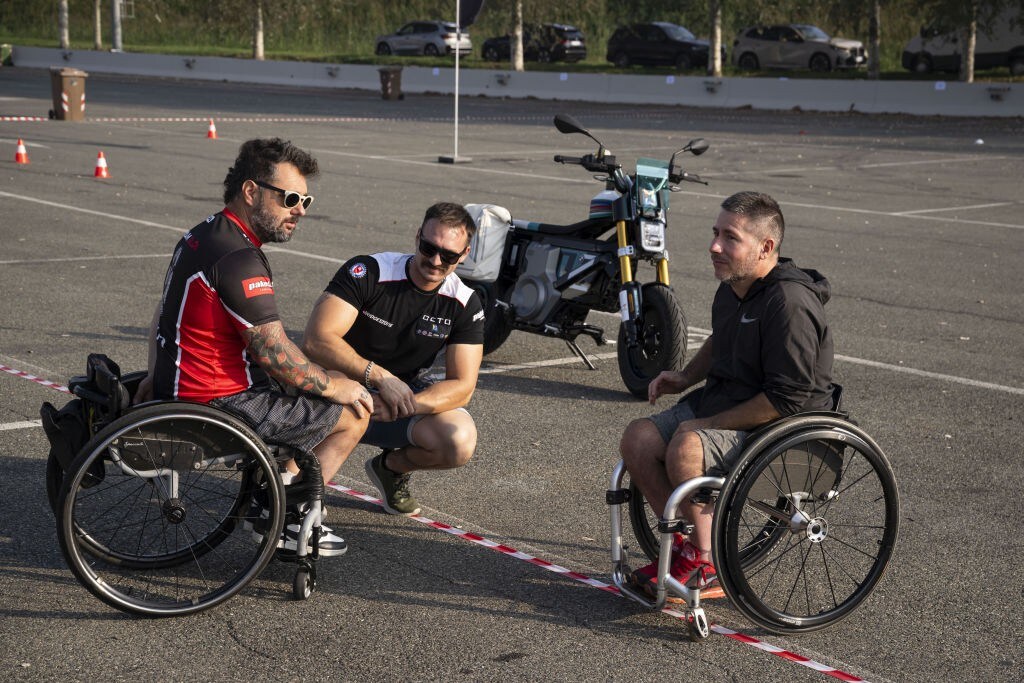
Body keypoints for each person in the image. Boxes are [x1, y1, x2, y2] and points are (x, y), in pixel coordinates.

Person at [137, 138, 372, 556]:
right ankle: (281, 520)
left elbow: (163, 313)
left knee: (326, 381)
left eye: (306, 199)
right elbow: (272, 353)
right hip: (219, 403)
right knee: (352, 409)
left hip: (185, 389)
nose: (300, 209)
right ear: (251, 192)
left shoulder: (203, 234)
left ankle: (278, 488)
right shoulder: (238, 256)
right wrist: (337, 388)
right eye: (291, 198)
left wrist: (158, 374)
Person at [619, 191, 834, 596]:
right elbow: (723, 339)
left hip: (784, 428)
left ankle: (709, 561)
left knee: (686, 445)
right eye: (716, 233)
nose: (715, 245)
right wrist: (685, 377)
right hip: (727, 403)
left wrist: (707, 425)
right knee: (638, 438)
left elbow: (786, 398)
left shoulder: (788, 303)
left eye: (730, 237)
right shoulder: (735, 286)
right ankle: (690, 548)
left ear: (766, 247)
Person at [302, 202, 484, 516]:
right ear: (417, 237)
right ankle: (297, 501)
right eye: (429, 248)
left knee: (459, 439)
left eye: (449, 256)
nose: (436, 260)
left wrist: (406, 403)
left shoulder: (464, 302)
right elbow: (317, 339)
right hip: (342, 382)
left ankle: (391, 469)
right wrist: (380, 379)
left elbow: (463, 386)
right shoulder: (370, 271)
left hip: (400, 399)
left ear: (465, 254)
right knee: (348, 396)